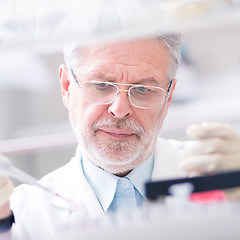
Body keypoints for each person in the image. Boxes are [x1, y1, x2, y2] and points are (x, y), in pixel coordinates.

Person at [0, 34, 240, 239]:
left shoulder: (216, 176)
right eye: (102, 85)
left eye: (143, 89)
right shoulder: (23, 216)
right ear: (66, 87)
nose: (120, 108)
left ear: (168, 98)